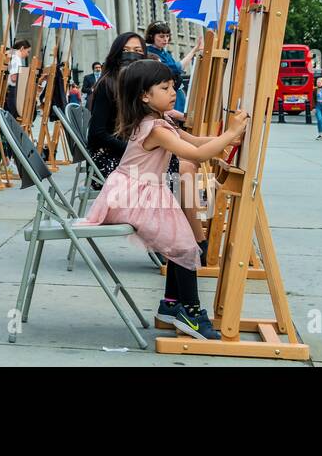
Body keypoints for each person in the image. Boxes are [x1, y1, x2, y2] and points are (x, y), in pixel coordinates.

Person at [83, 59, 248, 340]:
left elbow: (193, 141)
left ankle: (171, 305)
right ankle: (192, 313)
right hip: (134, 194)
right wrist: (230, 133)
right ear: (145, 96)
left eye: (173, 86)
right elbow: (195, 155)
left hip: (139, 190)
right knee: (184, 245)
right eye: (165, 87)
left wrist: (223, 140)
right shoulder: (155, 128)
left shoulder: (160, 121)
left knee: (179, 243)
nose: (173, 92)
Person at [86, 33, 150, 178]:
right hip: (109, 159)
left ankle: (174, 200)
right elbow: (97, 134)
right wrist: (132, 150)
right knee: (175, 170)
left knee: (181, 164)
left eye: (138, 51)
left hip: (130, 155)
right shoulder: (107, 84)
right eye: (126, 51)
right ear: (116, 54)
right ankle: (169, 200)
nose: (132, 55)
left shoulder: (141, 84)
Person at [144, 23, 201, 114]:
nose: (165, 39)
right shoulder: (149, 53)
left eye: (167, 36)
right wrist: (194, 50)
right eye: (161, 36)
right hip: (165, 94)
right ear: (151, 36)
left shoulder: (165, 53)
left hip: (176, 92)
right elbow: (176, 68)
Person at [5, 38, 31, 115]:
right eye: (28, 52)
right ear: (22, 48)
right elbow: (14, 77)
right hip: (13, 90)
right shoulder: (16, 58)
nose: (27, 55)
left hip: (13, 90)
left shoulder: (12, 55)